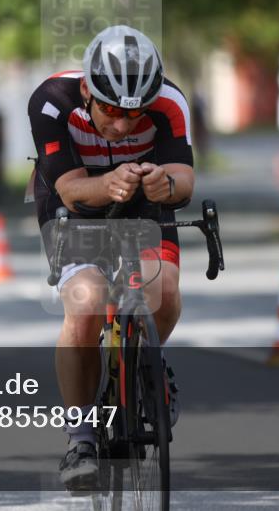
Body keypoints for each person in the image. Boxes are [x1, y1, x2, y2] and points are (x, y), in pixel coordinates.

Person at [27, 25, 194, 492]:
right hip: (75, 199)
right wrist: (108, 184)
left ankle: (148, 361)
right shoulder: (50, 102)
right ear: (87, 89)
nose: (121, 126)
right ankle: (81, 439)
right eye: (110, 110)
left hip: (143, 198)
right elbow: (70, 189)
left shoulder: (170, 103)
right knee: (86, 302)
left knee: (164, 289)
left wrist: (166, 183)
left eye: (134, 114)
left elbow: (184, 178)